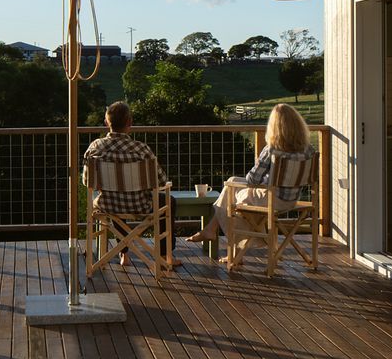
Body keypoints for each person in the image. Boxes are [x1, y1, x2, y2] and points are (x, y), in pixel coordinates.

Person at [188, 102, 315, 252]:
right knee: (232, 182)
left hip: (271, 200)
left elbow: (252, 180)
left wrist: (259, 166)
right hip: (291, 201)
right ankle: (215, 233)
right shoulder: (309, 150)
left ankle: (223, 241)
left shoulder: (272, 150)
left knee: (231, 194)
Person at [82, 100, 180, 269]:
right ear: (129, 122)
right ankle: (164, 256)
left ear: (106, 123)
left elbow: (86, 181)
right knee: (168, 200)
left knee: (116, 201)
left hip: (107, 204)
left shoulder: (95, 147)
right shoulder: (141, 149)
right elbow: (161, 181)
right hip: (140, 205)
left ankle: (124, 253)